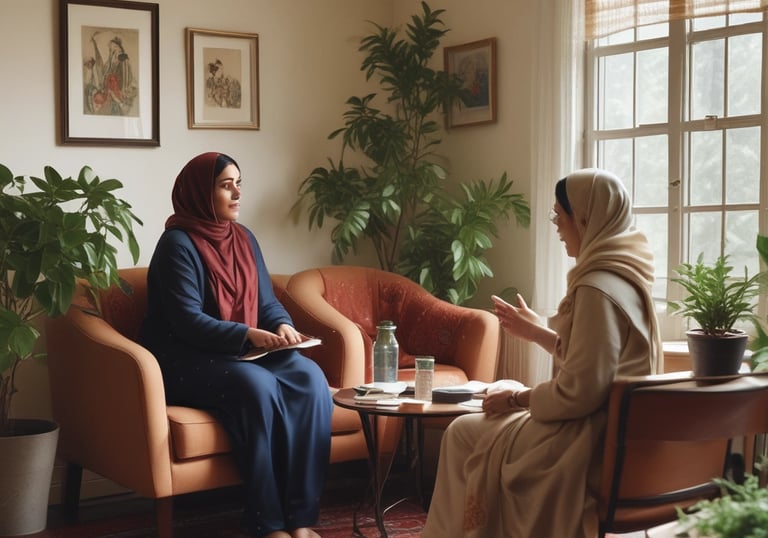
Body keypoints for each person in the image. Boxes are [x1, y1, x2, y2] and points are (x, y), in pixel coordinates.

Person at [421, 168, 662, 538]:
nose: (557, 226)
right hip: (619, 431)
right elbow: (598, 365)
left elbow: (579, 391)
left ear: (584, 217)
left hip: (585, 441)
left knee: (461, 433)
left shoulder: (596, 288)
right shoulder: (628, 277)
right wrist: (537, 332)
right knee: (484, 413)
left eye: (559, 216)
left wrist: (516, 399)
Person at [140, 152, 332, 538]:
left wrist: (281, 326)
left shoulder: (244, 238)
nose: (237, 193)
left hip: (246, 352)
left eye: (238, 183)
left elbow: (266, 302)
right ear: (199, 192)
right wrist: (246, 334)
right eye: (226, 185)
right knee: (256, 386)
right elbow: (187, 321)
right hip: (187, 358)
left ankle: (302, 518)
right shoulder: (176, 245)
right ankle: (268, 521)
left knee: (310, 378)